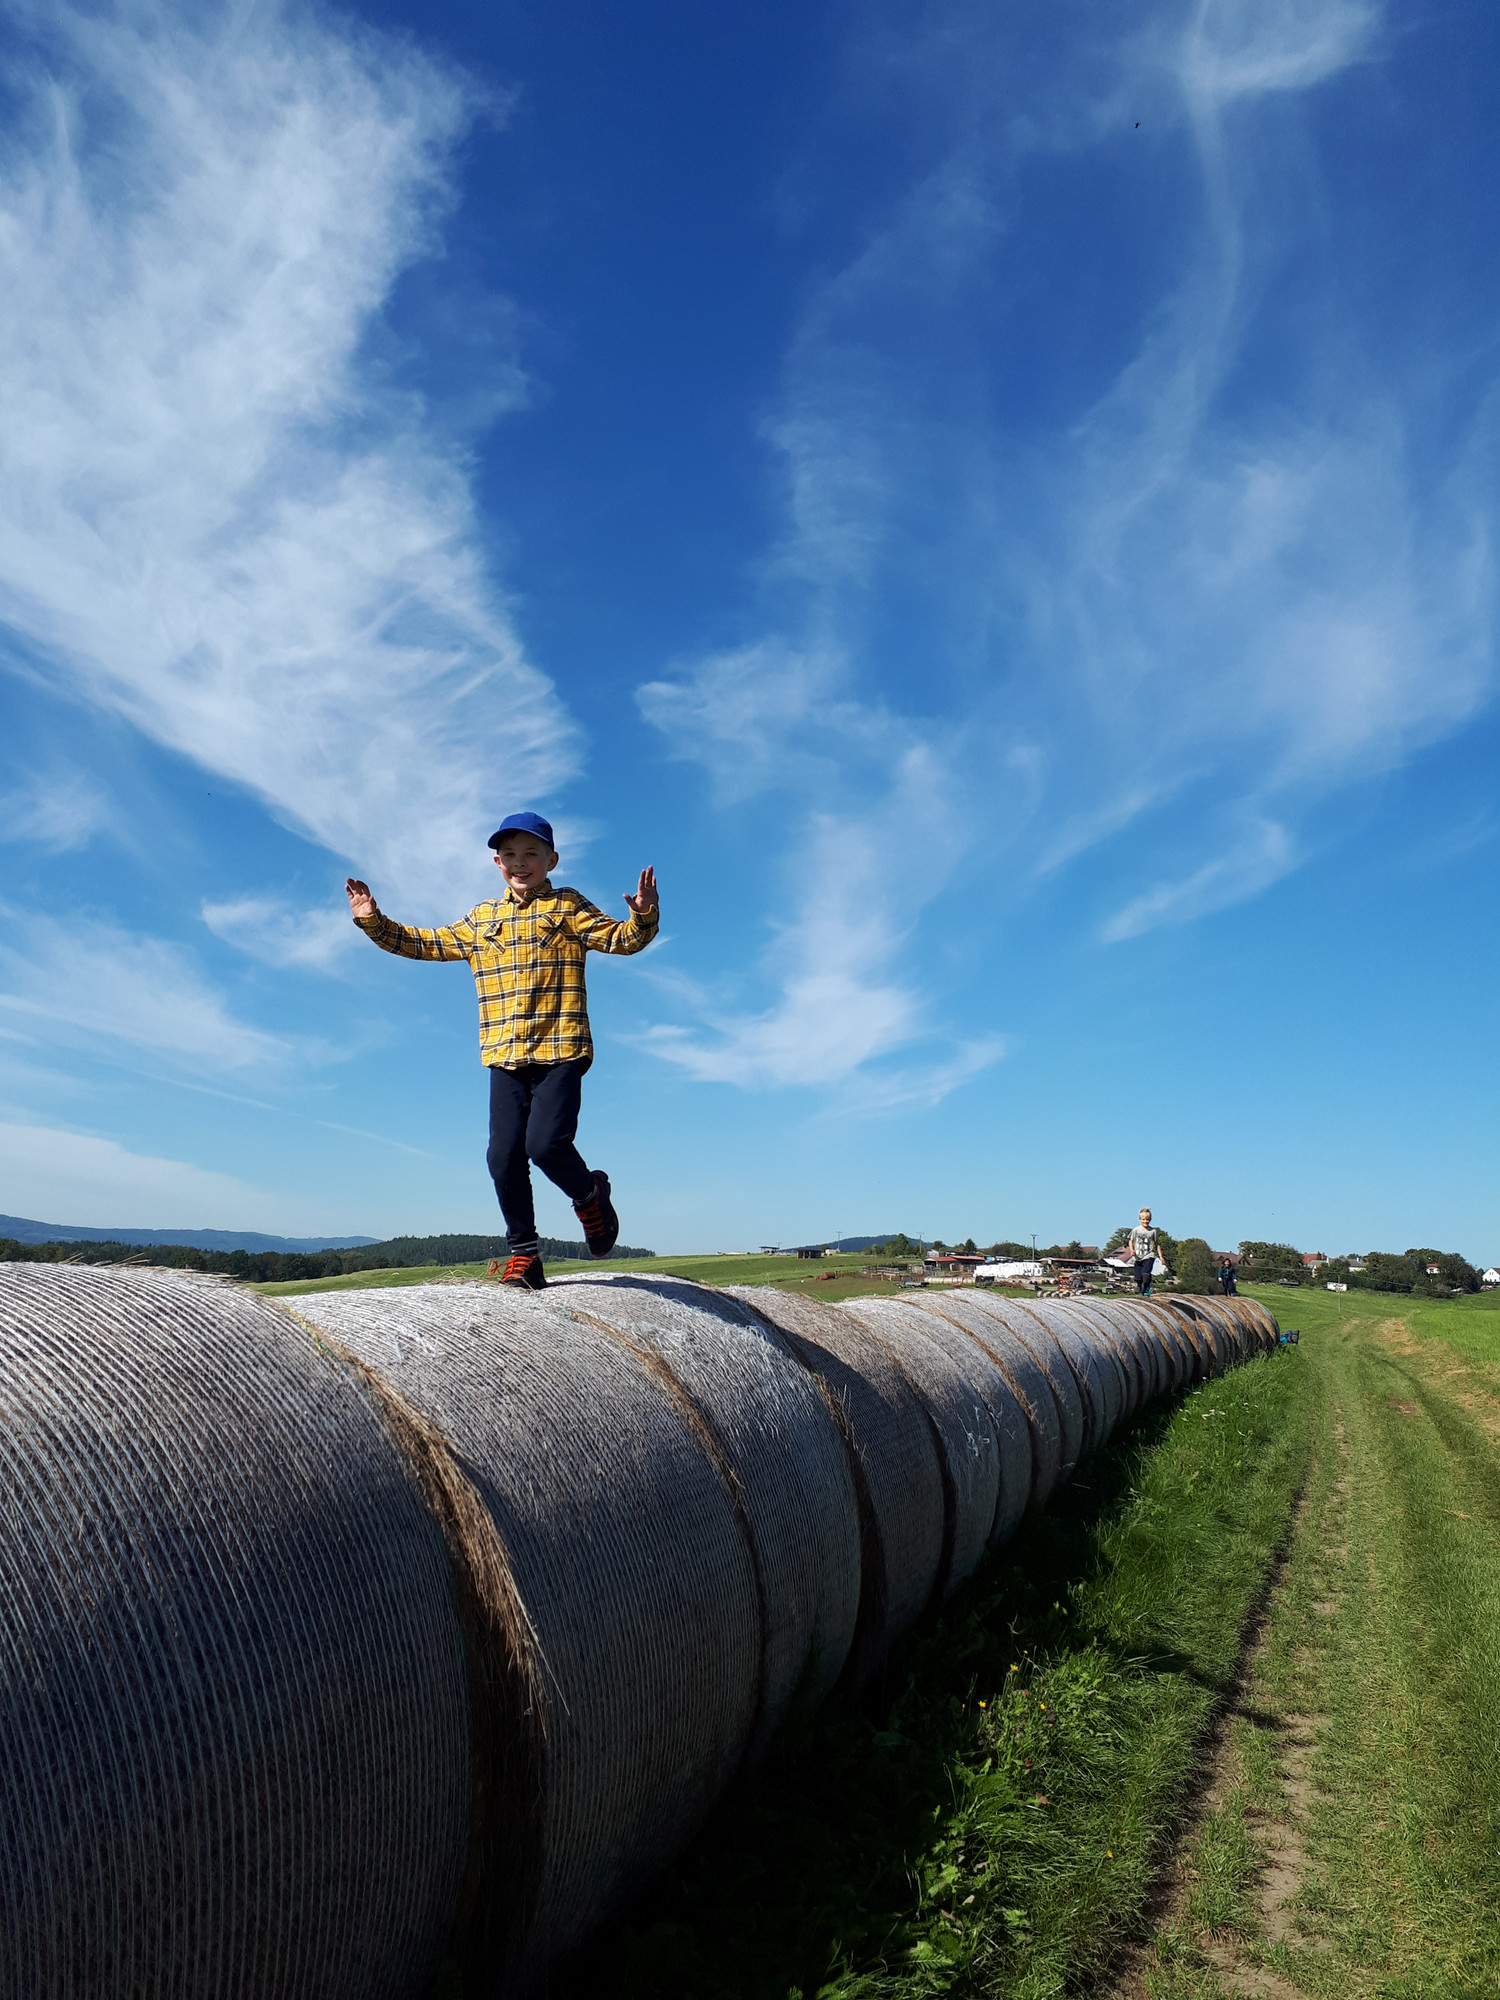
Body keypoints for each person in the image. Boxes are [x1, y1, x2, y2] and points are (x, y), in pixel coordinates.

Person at [345, 811, 658, 1291]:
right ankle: (525, 1256)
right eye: (510, 855)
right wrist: (373, 921)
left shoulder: (568, 906)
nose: (520, 862)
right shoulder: (482, 919)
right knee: (502, 1155)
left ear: (552, 860)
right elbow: (425, 944)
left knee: (544, 1145)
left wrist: (643, 914)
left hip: (560, 1048)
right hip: (504, 1055)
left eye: (531, 853)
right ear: (497, 863)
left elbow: (623, 939)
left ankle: (591, 1196)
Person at [1129, 1208, 1162, 1297]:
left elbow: (1157, 1244)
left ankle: (1147, 1288)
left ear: (1150, 1219)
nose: (1145, 1221)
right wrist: (1132, 1250)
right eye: (1143, 1219)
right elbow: (1131, 1241)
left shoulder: (1153, 1231)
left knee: (1146, 1275)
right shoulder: (1136, 1230)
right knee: (1138, 1277)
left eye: (1147, 1219)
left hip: (1149, 1255)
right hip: (1138, 1256)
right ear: (1140, 1219)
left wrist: (1161, 1256)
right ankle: (1139, 1285)